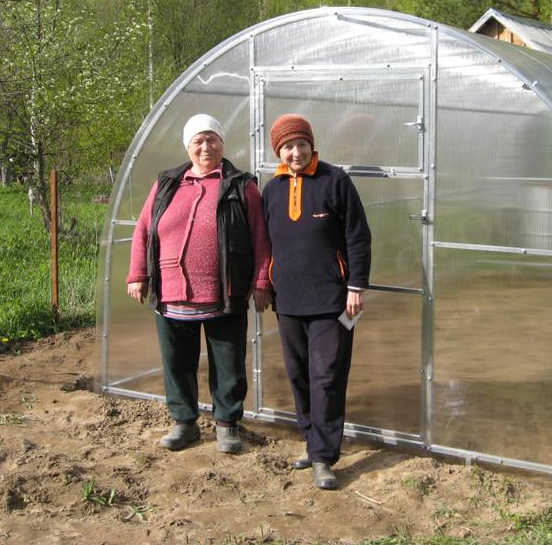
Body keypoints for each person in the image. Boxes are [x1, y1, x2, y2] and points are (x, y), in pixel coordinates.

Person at [126, 114, 271, 454]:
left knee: (228, 364)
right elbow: (144, 229)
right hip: (171, 291)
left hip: (224, 292)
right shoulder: (167, 183)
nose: (206, 146)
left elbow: (261, 237)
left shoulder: (241, 185)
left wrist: (261, 280)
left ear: (222, 143)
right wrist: (137, 275)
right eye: (198, 141)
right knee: (177, 362)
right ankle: (184, 422)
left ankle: (227, 424)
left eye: (212, 139)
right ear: (188, 147)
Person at [262, 114, 371, 490]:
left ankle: (324, 457)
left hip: (331, 299)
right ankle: (311, 441)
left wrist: (356, 285)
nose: (295, 152)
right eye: (287, 146)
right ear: (279, 150)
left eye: (300, 144)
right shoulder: (272, 189)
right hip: (288, 300)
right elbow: (265, 245)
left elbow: (358, 236)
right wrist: (263, 283)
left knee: (327, 376)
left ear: (311, 145)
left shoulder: (335, 180)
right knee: (298, 375)